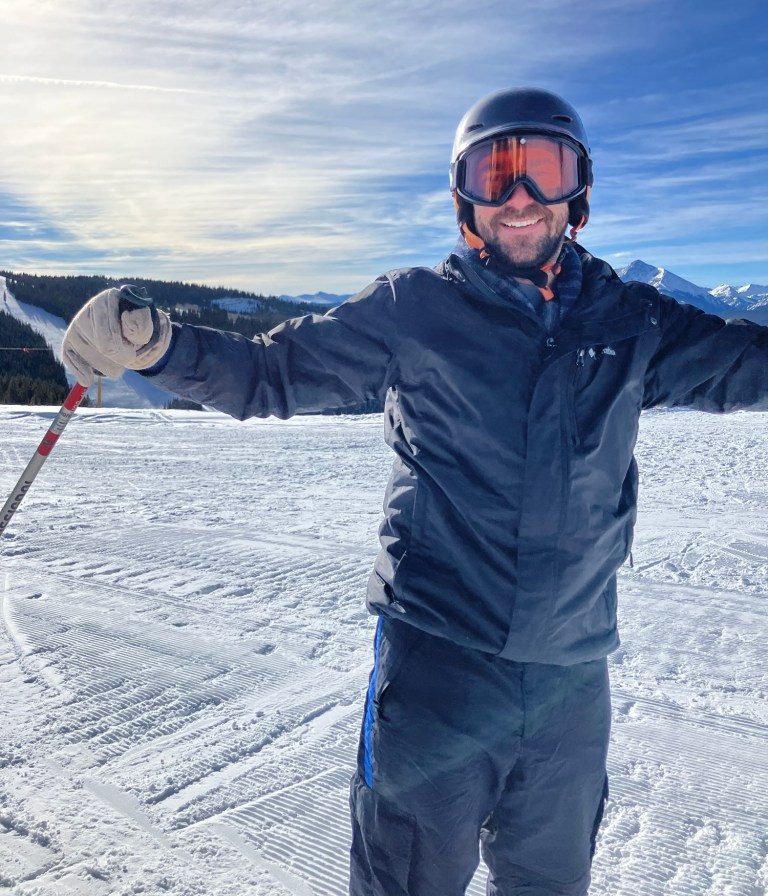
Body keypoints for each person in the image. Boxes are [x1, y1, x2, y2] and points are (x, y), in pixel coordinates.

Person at [62, 88, 768, 896]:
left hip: (572, 681)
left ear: (579, 191)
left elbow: (748, 363)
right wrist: (156, 345)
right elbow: (272, 372)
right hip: (439, 670)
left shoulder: (631, 321)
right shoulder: (416, 309)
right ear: (464, 195)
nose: (519, 197)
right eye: (494, 173)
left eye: (544, 169)